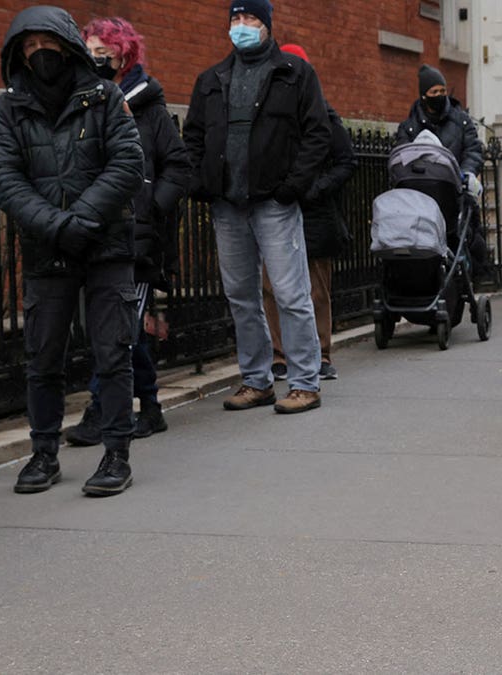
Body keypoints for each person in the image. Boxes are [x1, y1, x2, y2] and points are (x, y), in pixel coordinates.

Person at [0, 6, 144, 495]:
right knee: (42, 357)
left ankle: (116, 453)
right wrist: (57, 226)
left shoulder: (105, 96)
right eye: (28, 47)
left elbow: (126, 162)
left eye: (46, 44)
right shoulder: (6, 108)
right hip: (47, 248)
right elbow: (5, 179)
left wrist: (83, 220)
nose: (39, 53)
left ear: (67, 45)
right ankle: (42, 453)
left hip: (105, 245)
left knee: (112, 353)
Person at [183, 0, 332, 414]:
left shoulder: (294, 73)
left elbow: (317, 134)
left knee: (291, 293)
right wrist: (200, 182)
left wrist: (292, 187)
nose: (242, 26)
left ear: (267, 25)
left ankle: (304, 382)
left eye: (251, 19)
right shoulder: (211, 78)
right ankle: (257, 380)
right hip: (227, 204)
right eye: (236, 19)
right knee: (240, 295)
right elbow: (193, 135)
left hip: (274, 202)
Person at [65, 16, 191, 448]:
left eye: (106, 52)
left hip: (136, 240)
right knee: (124, 329)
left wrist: (152, 205)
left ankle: (99, 410)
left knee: (120, 328)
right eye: (91, 52)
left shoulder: (149, 108)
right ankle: (151, 407)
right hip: (93, 231)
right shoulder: (79, 102)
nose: (98, 60)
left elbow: (178, 166)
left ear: (125, 55)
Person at [267, 42, 358, 381]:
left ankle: (320, 353)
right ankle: (279, 355)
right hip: (276, 207)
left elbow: (347, 161)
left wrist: (317, 188)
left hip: (315, 212)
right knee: (271, 286)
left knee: (316, 287)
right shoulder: (270, 115)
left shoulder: (324, 115)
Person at [394, 64, 489, 276]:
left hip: (454, 191)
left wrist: (466, 173)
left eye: (442, 91)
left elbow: (473, 149)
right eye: (434, 92)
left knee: (465, 234)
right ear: (423, 95)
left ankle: (466, 273)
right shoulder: (409, 127)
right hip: (421, 194)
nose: (439, 96)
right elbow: (403, 157)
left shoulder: (461, 120)